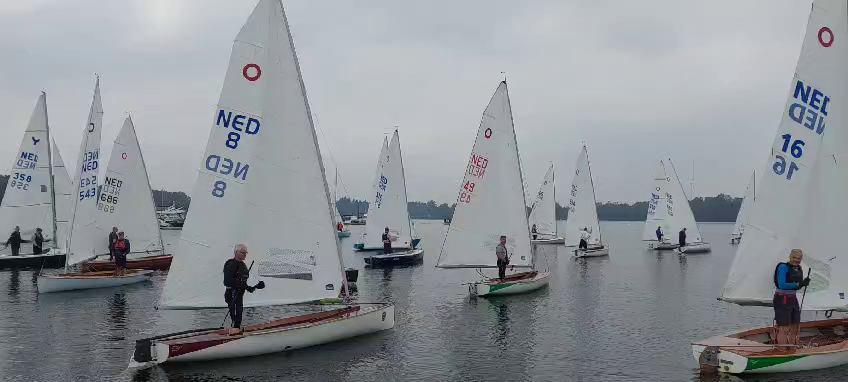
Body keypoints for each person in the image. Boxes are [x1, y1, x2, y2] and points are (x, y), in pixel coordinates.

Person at [223, 244, 264, 334]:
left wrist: (256, 286)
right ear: (236, 252)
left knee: (239, 311)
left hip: (239, 293)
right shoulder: (230, 263)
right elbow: (227, 281)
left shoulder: (243, 265)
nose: (245, 255)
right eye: (243, 253)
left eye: (246, 253)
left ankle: (236, 329)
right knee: (235, 313)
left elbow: (244, 283)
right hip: (232, 293)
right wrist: (240, 283)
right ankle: (234, 330)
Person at [773, 249, 810, 345]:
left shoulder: (799, 268)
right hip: (782, 299)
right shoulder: (783, 267)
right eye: (794, 257)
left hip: (793, 298)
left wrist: (804, 283)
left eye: (799, 258)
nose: (796, 260)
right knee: (784, 328)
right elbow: (782, 285)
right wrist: (799, 284)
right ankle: (781, 349)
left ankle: (793, 348)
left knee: (795, 326)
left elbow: (797, 285)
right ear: (790, 256)